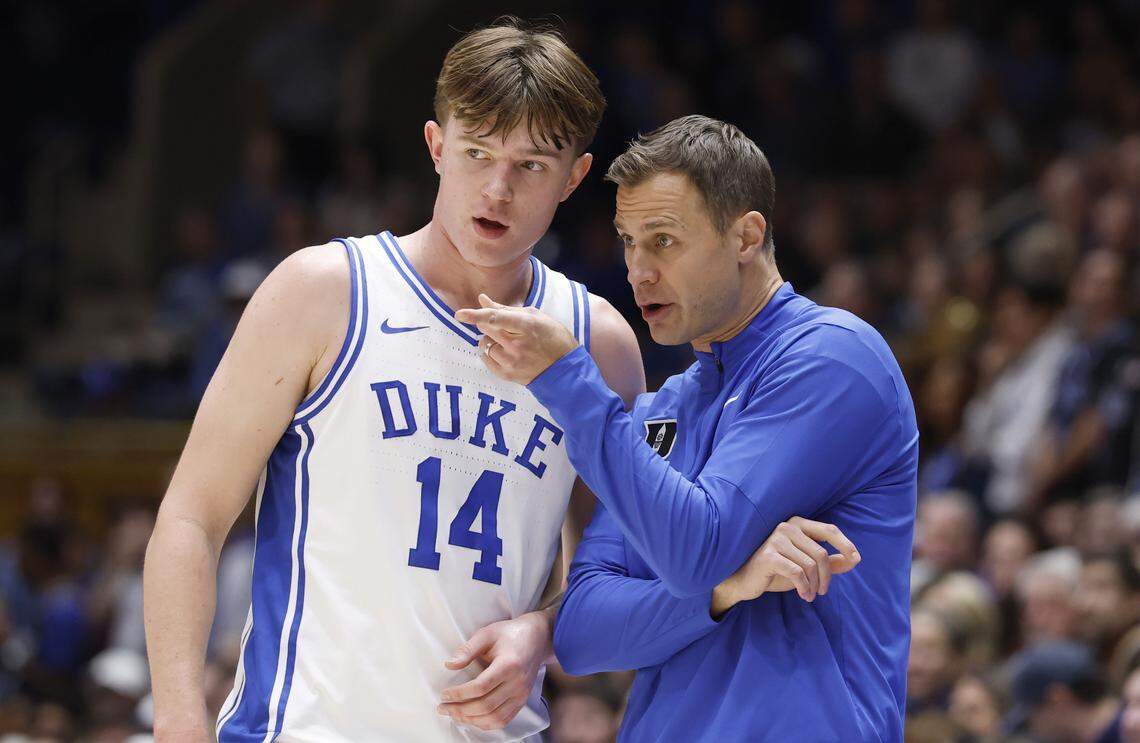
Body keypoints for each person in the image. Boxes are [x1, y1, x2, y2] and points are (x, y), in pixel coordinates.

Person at [144, 19, 631, 743]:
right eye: (477, 152)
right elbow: (191, 517)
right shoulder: (322, 292)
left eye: (532, 165)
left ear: (575, 177)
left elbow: (610, 574)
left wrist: (543, 631)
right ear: (436, 146)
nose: (497, 189)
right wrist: (180, 720)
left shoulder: (600, 344)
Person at [457, 115, 917, 740]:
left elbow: (695, 552)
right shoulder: (660, 410)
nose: (638, 270)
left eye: (664, 241)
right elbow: (584, 630)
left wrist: (568, 378)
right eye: (628, 241)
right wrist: (729, 589)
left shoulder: (833, 358)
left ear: (746, 236)